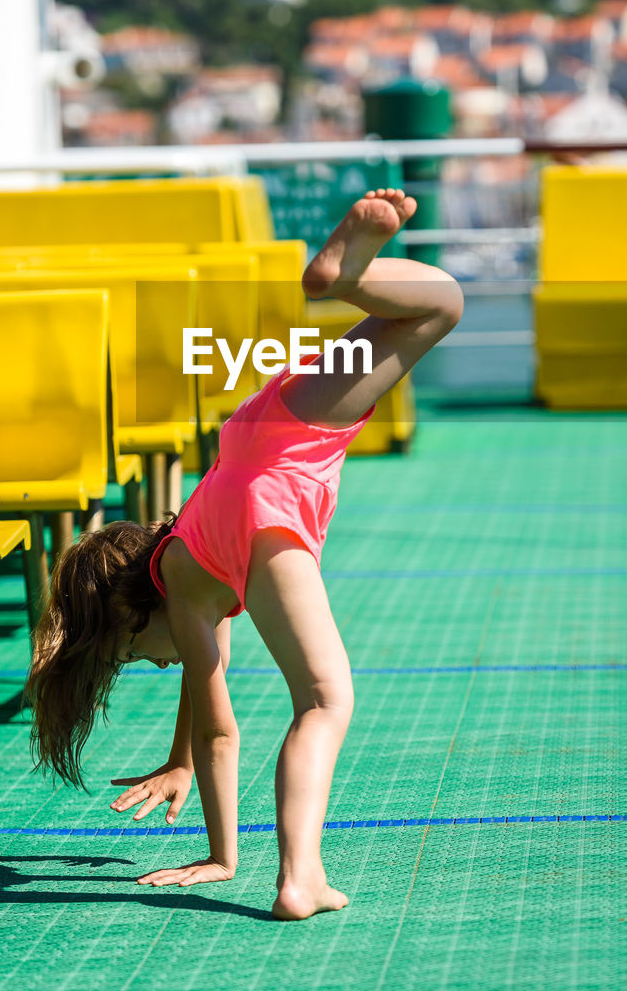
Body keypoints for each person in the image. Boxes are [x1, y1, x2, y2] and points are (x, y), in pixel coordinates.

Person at [25, 188, 463, 921]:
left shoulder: (193, 591)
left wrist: (224, 857)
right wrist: (180, 762)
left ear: (136, 613)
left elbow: (219, 727)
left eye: (138, 655)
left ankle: (300, 878)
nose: (164, 667)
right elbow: (205, 704)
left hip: (274, 481)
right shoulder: (179, 558)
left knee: (323, 701)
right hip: (267, 426)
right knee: (437, 304)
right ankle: (348, 278)